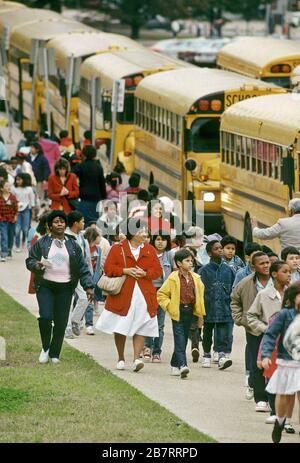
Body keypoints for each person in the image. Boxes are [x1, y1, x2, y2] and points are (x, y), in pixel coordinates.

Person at [25, 210, 94, 364]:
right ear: (50, 225)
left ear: (65, 224)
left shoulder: (73, 245)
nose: (59, 224)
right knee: (46, 317)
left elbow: (82, 267)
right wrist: (37, 265)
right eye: (56, 222)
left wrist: (88, 286)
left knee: (61, 321)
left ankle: (55, 353)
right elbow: (30, 260)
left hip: (65, 288)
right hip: (45, 286)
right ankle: (45, 348)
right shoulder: (42, 243)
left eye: (62, 221)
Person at [96, 218, 162, 372]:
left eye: (145, 230)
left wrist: (145, 273)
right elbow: (108, 268)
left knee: (141, 324)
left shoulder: (149, 249)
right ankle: (120, 357)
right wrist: (124, 271)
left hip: (144, 294)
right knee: (120, 325)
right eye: (141, 231)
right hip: (123, 294)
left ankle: (136, 358)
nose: (145, 233)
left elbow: (157, 271)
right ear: (132, 233)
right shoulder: (117, 248)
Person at [247, 261, 292, 424]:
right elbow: (251, 316)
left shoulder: (294, 293)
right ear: (274, 274)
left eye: (290, 272)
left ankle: (285, 414)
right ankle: (274, 409)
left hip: (291, 342)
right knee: (271, 375)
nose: (289, 274)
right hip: (271, 342)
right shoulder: (264, 295)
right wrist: (265, 328)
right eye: (285, 271)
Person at [231, 252, 273, 411]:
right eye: (262, 263)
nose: (266, 265)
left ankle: (272, 397)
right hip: (254, 329)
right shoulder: (245, 283)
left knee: (273, 363)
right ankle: (260, 398)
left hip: (274, 329)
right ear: (253, 267)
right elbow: (234, 300)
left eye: (267, 262)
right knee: (258, 364)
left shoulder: (276, 281)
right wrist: (240, 319)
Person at [261, 281, 300, 443]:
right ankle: (280, 421)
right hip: (287, 362)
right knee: (284, 395)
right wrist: (265, 355)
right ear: (293, 297)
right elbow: (270, 334)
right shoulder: (285, 315)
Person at [157, 249, 205, 379]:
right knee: (179, 337)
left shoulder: (195, 278)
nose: (190, 263)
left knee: (183, 339)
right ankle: (183, 365)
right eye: (187, 261)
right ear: (179, 263)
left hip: (190, 311)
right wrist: (169, 306)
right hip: (177, 310)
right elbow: (161, 294)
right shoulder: (173, 278)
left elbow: (200, 293)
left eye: (191, 261)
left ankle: (174, 364)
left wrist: (199, 310)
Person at [199, 240, 235, 370]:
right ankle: (206, 355)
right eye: (216, 249)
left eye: (221, 248)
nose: (220, 250)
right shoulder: (203, 271)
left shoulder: (229, 270)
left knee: (223, 332)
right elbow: (199, 291)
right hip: (208, 307)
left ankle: (221, 355)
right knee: (207, 332)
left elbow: (233, 289)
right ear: (209, 253)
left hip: (225, 307)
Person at [143, 231, 172, 363]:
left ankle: (157, 351)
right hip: (149, 290)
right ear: (154, 241)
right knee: (149, 319)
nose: (160, 242)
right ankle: (147, 346)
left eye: (163, 240)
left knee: (159, 323)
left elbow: (173, 273)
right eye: (158, 239)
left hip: (163, 292)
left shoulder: (170, 256)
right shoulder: (148, 254)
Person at [65, 211, 93, 337]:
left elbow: (86, 257)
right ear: (75, 223)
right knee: (69, 301)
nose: (84, 223)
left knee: (84, 298)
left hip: (80, 273)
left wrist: (89, 275)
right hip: (67, 274)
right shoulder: (65, 237)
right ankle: (67, 329)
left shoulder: (82, 237)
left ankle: (75, 320)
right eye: (82, 221)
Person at [73, 145, 106, 223]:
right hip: (96, 198)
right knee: (94, 221)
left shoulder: (80, 166)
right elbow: (102, 184)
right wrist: (104, 197)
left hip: (83, 197)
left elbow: (71, 175)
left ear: (83, 154)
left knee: (82, 221)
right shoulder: (98, 167)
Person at [83, 227, 103, 335]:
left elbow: (98, 265)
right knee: (80, 300)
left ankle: (89, 325)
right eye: (99, 236)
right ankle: (79, 320)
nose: (100, 238)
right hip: (83, 278)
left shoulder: (98, 249)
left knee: (89, 301)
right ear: (93, 237)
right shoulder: (84, 247)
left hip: (93, 279)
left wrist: (95, 279)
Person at [12, 173, 35, 252]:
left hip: (26, 210)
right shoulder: (14, 188)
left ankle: (24, 241)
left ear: (24, 180)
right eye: (16, 180)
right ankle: (17, 245)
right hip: (16, 210)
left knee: (25, 229)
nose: (17, 181)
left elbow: (32, 200)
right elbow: (12, 199)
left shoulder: (29, 189)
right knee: (17, 229)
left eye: (19, 179)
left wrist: (33, 211)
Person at [0, 180, 18, 261]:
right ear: (2, 188)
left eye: (9, 186)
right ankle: (3, 254)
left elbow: (16, 208)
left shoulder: (13, 197)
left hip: (11, 219)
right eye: (6, 186)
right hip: (2, 219)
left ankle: (9, 250)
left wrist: (16, 216)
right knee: (4, 236)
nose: (8, 187)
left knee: (11, 236)